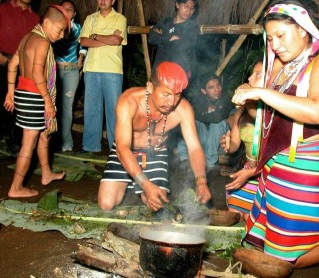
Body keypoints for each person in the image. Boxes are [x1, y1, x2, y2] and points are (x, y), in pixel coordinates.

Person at [231, 0, 319, 273]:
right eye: (270, 38)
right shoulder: (277, 65)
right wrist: (247, 94)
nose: (274, 45)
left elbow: (318, 111)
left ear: (303, 30)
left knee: (287, 258)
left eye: (281, 36)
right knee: (267, 234)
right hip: (277, 162)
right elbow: (264, 118)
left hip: (308, 165)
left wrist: (262, 92)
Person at [98, 61, 211, 212]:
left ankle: (144, 190)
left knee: (157, 204)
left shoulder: (183, 109)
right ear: (150, 87)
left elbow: (194, 148)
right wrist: (145, 184)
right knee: (106, 204)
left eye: (177, 95)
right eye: (166, 94)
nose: (171, 102)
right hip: (127, 152)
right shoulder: (129, 101)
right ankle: (135, 184)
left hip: (156, 153)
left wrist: (201, 181)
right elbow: (122, 147)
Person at [3, 5, 69, 198]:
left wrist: (9, 92)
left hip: (23, 93)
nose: (62, 34)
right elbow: (38, 74)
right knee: (28, 143)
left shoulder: (26, 38)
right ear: (47, 23)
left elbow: (13, 64)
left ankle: (46, 173)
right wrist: (48, 101)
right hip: (35, 96)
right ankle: (16, 187)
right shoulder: (43, 43)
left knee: (43, 135)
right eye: (60, 29)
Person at [0, 0, 40, 158]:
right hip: (5, 62)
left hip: (24, 67)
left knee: (20, 105)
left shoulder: (35, 18)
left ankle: (14, 143)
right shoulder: (4, 9)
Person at [79, 0, 127, 152]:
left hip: (112, 69)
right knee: (91, 109)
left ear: (113, 1)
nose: (103, 1)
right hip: (92, 68)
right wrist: (107, 39)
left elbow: (117, 40)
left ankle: (116, 148)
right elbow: (83, 41)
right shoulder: (90, 18)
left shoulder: (120, 18)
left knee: (114, 110)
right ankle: (90, 146)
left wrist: (96, 36)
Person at [219, 62, 263, 222]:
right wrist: (228, 145)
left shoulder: (273, 112)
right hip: (247, 171)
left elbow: (277, 157)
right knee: (234, 216)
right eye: (252, 73)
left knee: (251, 221)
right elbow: (235, 145)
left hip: (268, 174)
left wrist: (251, 173)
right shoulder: (241, 111)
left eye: (258, 75)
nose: (250, 77)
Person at [178, 73, 234, 169]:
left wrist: (205, 114)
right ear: (204, 91)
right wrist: (208, 113)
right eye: (211, 88)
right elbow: (191, 115)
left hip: (221, 145)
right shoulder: (200, 101)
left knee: (218, 123)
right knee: (191, 122)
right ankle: (185, 160)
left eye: (218, 85)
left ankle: (208, 163)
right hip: (204, 143)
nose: (217, 90)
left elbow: (217, 118)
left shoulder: (226, 99)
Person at [54, 0, 86, 152]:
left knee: (67, 108)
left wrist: (81, 57)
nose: (67, 11)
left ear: (74, 13)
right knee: (52, 105)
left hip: (72, 71)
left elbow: (84, 45)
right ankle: (51, 141)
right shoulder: (54, 25)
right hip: (55, 70)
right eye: (64, 8)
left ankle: (67, 142)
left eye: (70, 9)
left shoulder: (78, 28)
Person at [148, 0, 199, 77]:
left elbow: (182, 46)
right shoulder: (166, 21)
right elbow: (151, 38)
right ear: (177, 5)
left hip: (179, 72)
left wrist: (161, 36)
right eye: (186, 6)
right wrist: (170, 37)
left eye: (192, 8)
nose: (189, 11)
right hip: (159, 69)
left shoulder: (192, 27)